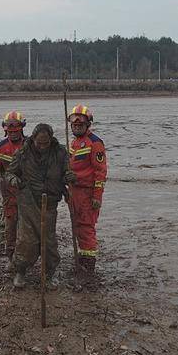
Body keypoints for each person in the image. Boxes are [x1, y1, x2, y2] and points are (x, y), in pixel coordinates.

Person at [6, 123, 76, 289]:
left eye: (46, 143)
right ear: (33, 139)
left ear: (51, 140)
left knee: (48, 240)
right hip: (28, 201)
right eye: (39, 143)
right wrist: (13, 180)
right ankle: (20, 272)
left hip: (50, 202)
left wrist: (69, 177)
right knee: (27, 240)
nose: (43, 147)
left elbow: (67, 174)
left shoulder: (60, 153)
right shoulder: (23, 153)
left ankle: (49, 274)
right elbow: (8, 173)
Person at [67, 104, 108, 284]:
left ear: (87, 124)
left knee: (86, 228)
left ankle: (89, 266)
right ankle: (82, 261)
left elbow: (100, 172)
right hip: (74, 191)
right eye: (74, 125)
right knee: (77, 226)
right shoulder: (73, 142)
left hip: (87, 192)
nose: (76, 127)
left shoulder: (95, 143)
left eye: (80, 125)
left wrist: (97, 197)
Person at [0, 110, 26, 263]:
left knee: (27, 228)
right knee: (10, 227)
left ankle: (27, 259)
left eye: (16, 131)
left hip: (27, 193)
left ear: (22, 128)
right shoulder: (1, 147)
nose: (13, 134)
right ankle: (11, 259)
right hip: (9, 194)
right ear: (5, 130)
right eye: (10, 131)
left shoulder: (30, 145)